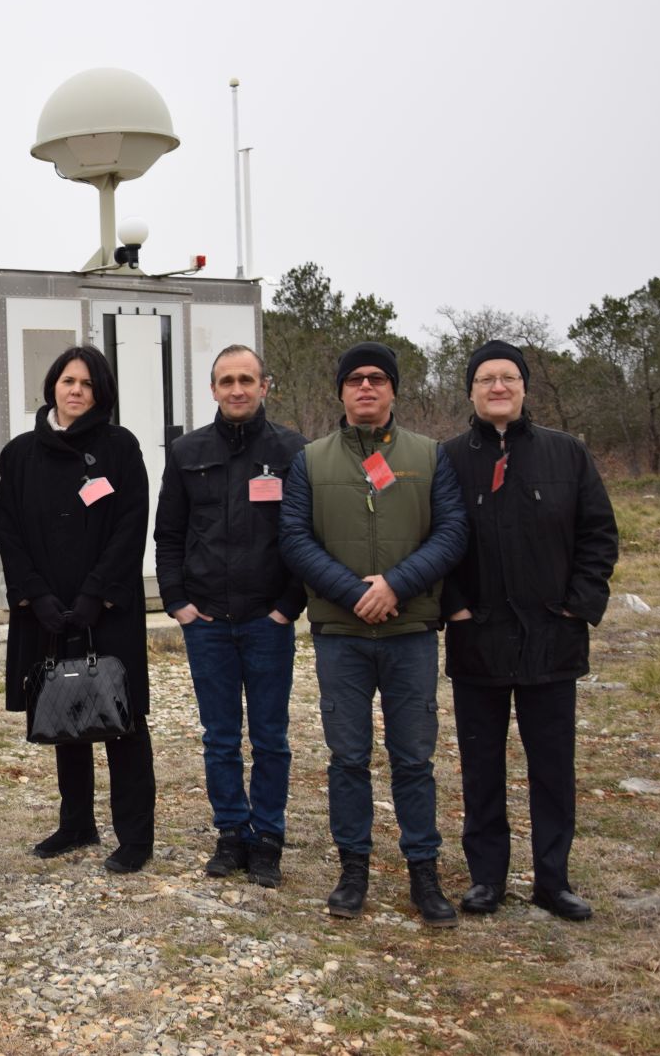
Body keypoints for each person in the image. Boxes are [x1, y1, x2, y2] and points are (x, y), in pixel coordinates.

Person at [280, 342, 468, 927]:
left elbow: (452, 532)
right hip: (341, 632)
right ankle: (353, 868)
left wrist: (394, 585)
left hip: (410, 628)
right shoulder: (311, 460)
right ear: (340, 391)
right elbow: (294, 537)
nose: (366, 387)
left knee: (413, 757)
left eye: (378, 379)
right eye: (355, 379)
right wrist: (353, 592)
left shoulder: (430, 456)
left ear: (393, 390)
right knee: (348, 757)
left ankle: (424, 873)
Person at [441, 340, 618, 922]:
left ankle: (553, 879)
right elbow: (433, 541)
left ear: (524, 388)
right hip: (478, 639)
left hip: (551, 638)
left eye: (509, 377)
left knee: (552, 767)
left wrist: (578, 606)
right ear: (470, 390)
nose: (498, 386)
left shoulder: (567, 455)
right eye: (486, 378)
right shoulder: (449, 460)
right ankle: (487, 879)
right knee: (481, 765)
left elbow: (598, 534)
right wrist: (455, 607)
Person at [154, 344, 308, 888]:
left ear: (266, 386)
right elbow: (168, 532)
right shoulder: (187, 450)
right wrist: (178, 601)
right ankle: (229, 834)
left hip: (268, 621)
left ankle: (267, 839)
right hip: (209, 624)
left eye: (247, 379)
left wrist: (288, 607)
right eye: (226, 381)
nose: (237, 389)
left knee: (270, 737)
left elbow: (304, 534)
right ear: (213, 389)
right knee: (219, 737)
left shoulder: (292, 450)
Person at [0, 345, 155, 873]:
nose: (76, 390)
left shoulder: (120, 447)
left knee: (122, 719)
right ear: (53, 385)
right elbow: (9, 531)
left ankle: (135, 837)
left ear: (100, 392)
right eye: (68, 380)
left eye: (87, 383)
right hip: (46, 608)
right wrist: (35, 595)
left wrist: (96, 594)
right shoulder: (20, 454)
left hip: (105, 608)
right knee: (65, 711)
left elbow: (132, 523)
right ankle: (77, 824)